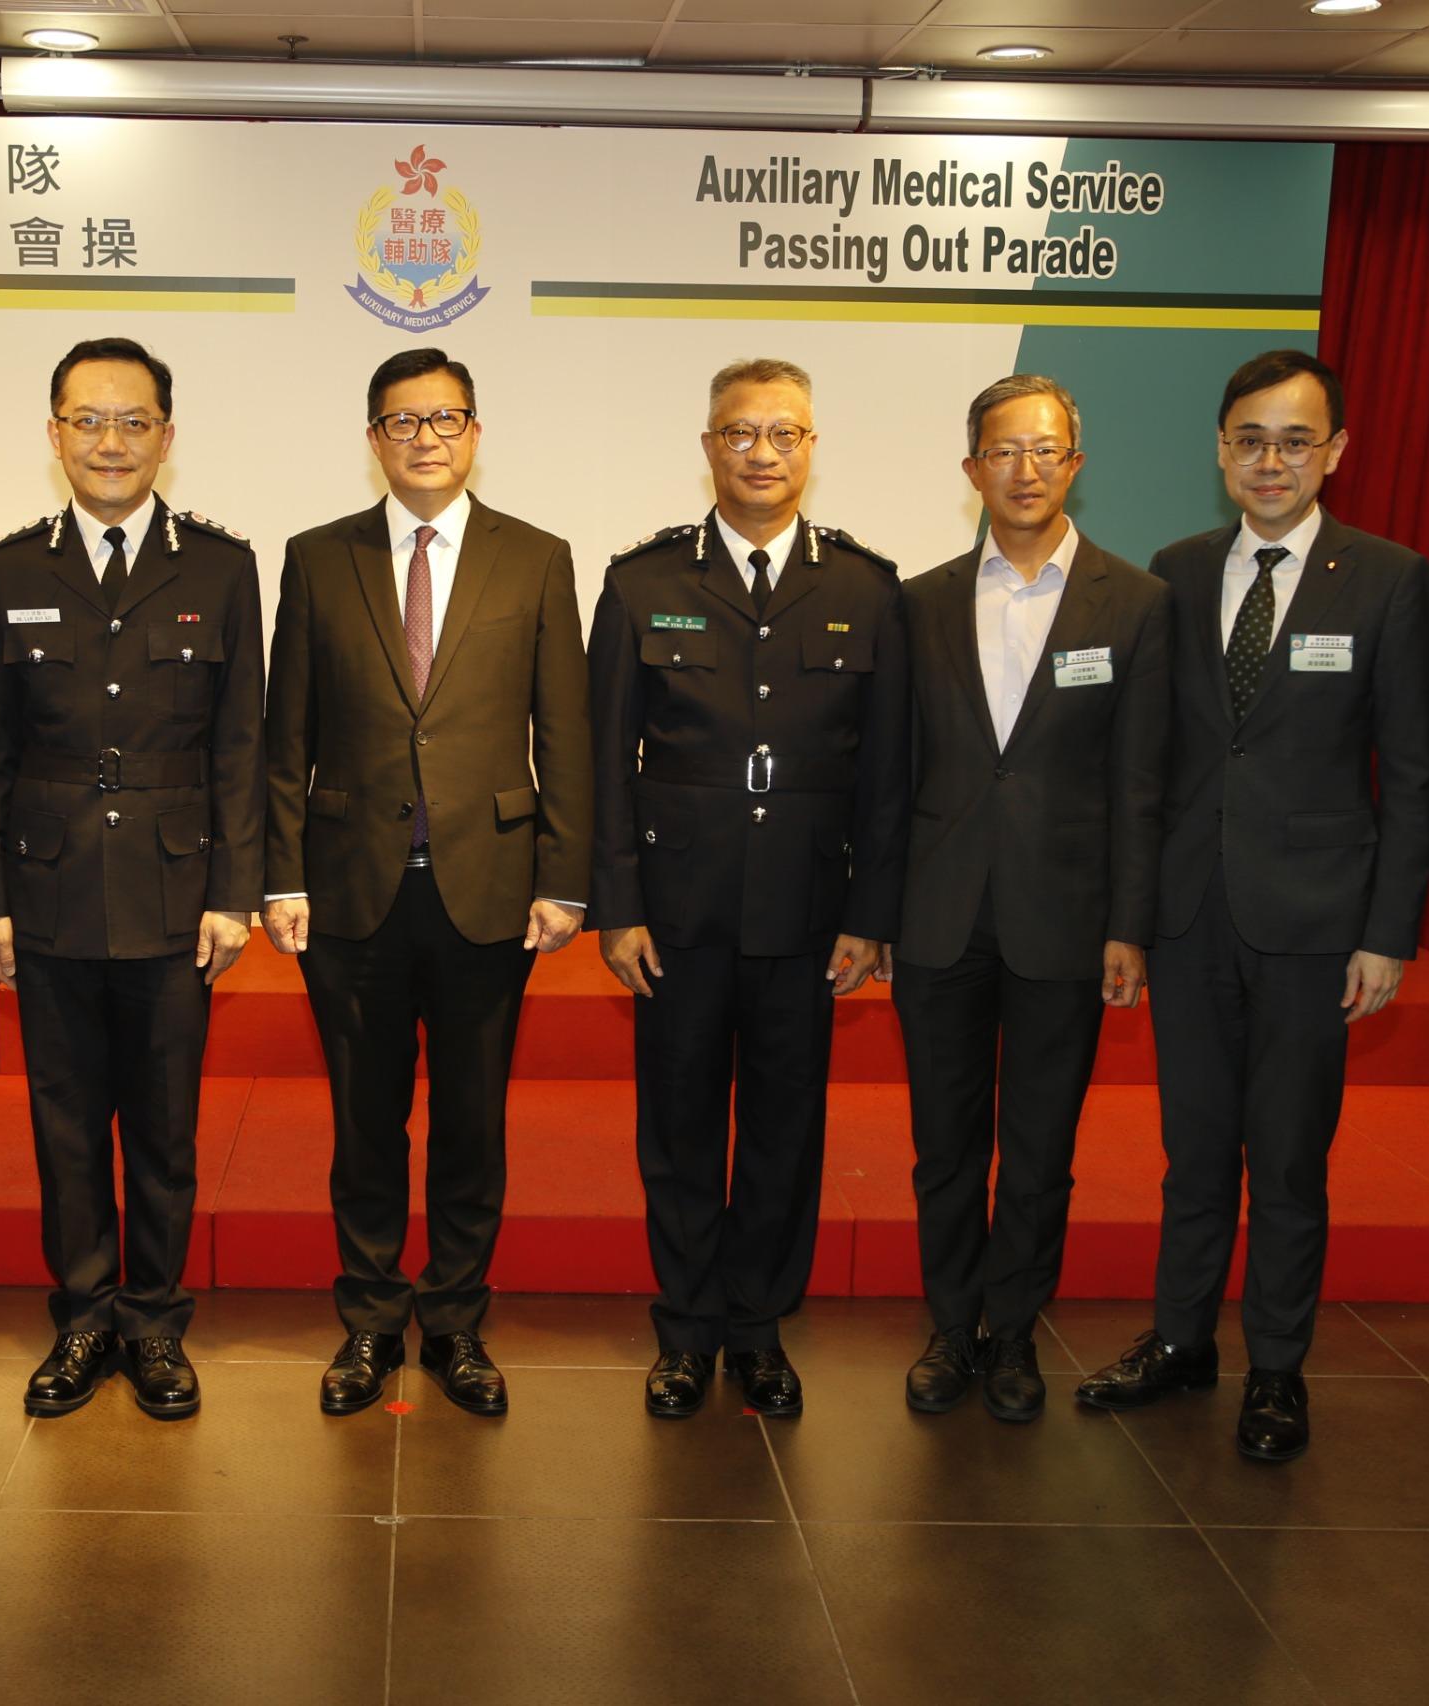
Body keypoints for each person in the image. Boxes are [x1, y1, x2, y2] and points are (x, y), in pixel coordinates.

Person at [1077, 350, 1429, 1462]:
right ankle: (1181, 1341)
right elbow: (1147, 765)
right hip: (1190, 919)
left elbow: (1413, 773)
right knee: (1192, 1152)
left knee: (1285, 1157)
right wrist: (1129, 917)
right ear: (1219, 450)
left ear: (1333, 451)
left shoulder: (1385, 578)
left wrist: (1387, 932)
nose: (1269, 460)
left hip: (1314, 925)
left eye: (1294, 440)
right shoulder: (1173, 573)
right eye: (1248, 439)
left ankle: (1276, 1368)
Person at [263, 348, 594, 1418]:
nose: (425, 438)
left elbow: (567, 733)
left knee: (469, 1120)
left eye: (444, 418)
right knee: (364, 1123)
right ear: (372, 440)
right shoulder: (317, 558)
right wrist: (280, 875)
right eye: (402, 422)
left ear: (475, 431)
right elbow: (286, 735)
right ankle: (367, 1321)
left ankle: (453, 1321)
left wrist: (566, 877)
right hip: (349, 884)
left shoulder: (536, 557)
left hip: (488, 888)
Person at [587, 357, 908, 1419]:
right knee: (677, 1126)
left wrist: (871, 913)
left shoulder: (865, 586)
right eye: (739, 433)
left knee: (784, 1127)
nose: (761, 452)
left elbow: (887, 767)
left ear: (812, 448)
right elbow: (603, 755)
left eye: (784, 434)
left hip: (807, 913)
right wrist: (618, 904)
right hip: (676, 910)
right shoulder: (644, 582)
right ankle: (684, 1330)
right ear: (708, 446)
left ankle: (759, 1327)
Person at [0, 338, 265, 1420]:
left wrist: (236, 890)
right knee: (64, 1118)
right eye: (86, 420)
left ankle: (154, 1321)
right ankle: (83, 1319)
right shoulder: (9, 568)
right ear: (53, 435)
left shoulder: (222, 566)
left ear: (166, 438)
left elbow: (240, 743)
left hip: (175, 891)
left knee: (165, 1122)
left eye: (133, 421)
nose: (109, 441)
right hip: (45, 887)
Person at [891, 375, 1170, 1423]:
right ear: (972, 468)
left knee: (1042, 1147)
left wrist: (1128, 924)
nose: (1024, 469)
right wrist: (874, 912)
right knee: (945, 1143)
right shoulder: (915, 602)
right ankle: (949, 1327)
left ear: (1075, 467)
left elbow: (1142, 781)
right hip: (939, 917)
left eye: (1045, 450)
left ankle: (1013, 1333)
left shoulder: (1135, 603)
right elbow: (890, 776)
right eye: (1003, 451)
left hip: (1066, 919)